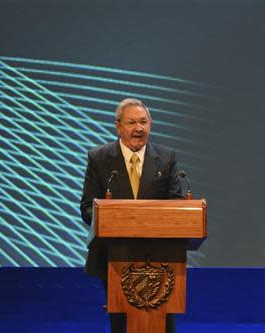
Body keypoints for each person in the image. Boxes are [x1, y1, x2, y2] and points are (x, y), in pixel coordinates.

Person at [80, 98, 183, 333]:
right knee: (122, 322)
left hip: (161, 258)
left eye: (144, 122)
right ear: (118, 126)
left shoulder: (166, 158)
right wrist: (109, 219)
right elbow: (87, 207)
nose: (139, 128)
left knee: (163, 322)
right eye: (132, 122)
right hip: (114, 257)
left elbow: (176, 205)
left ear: (151, 124)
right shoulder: (99, 158)